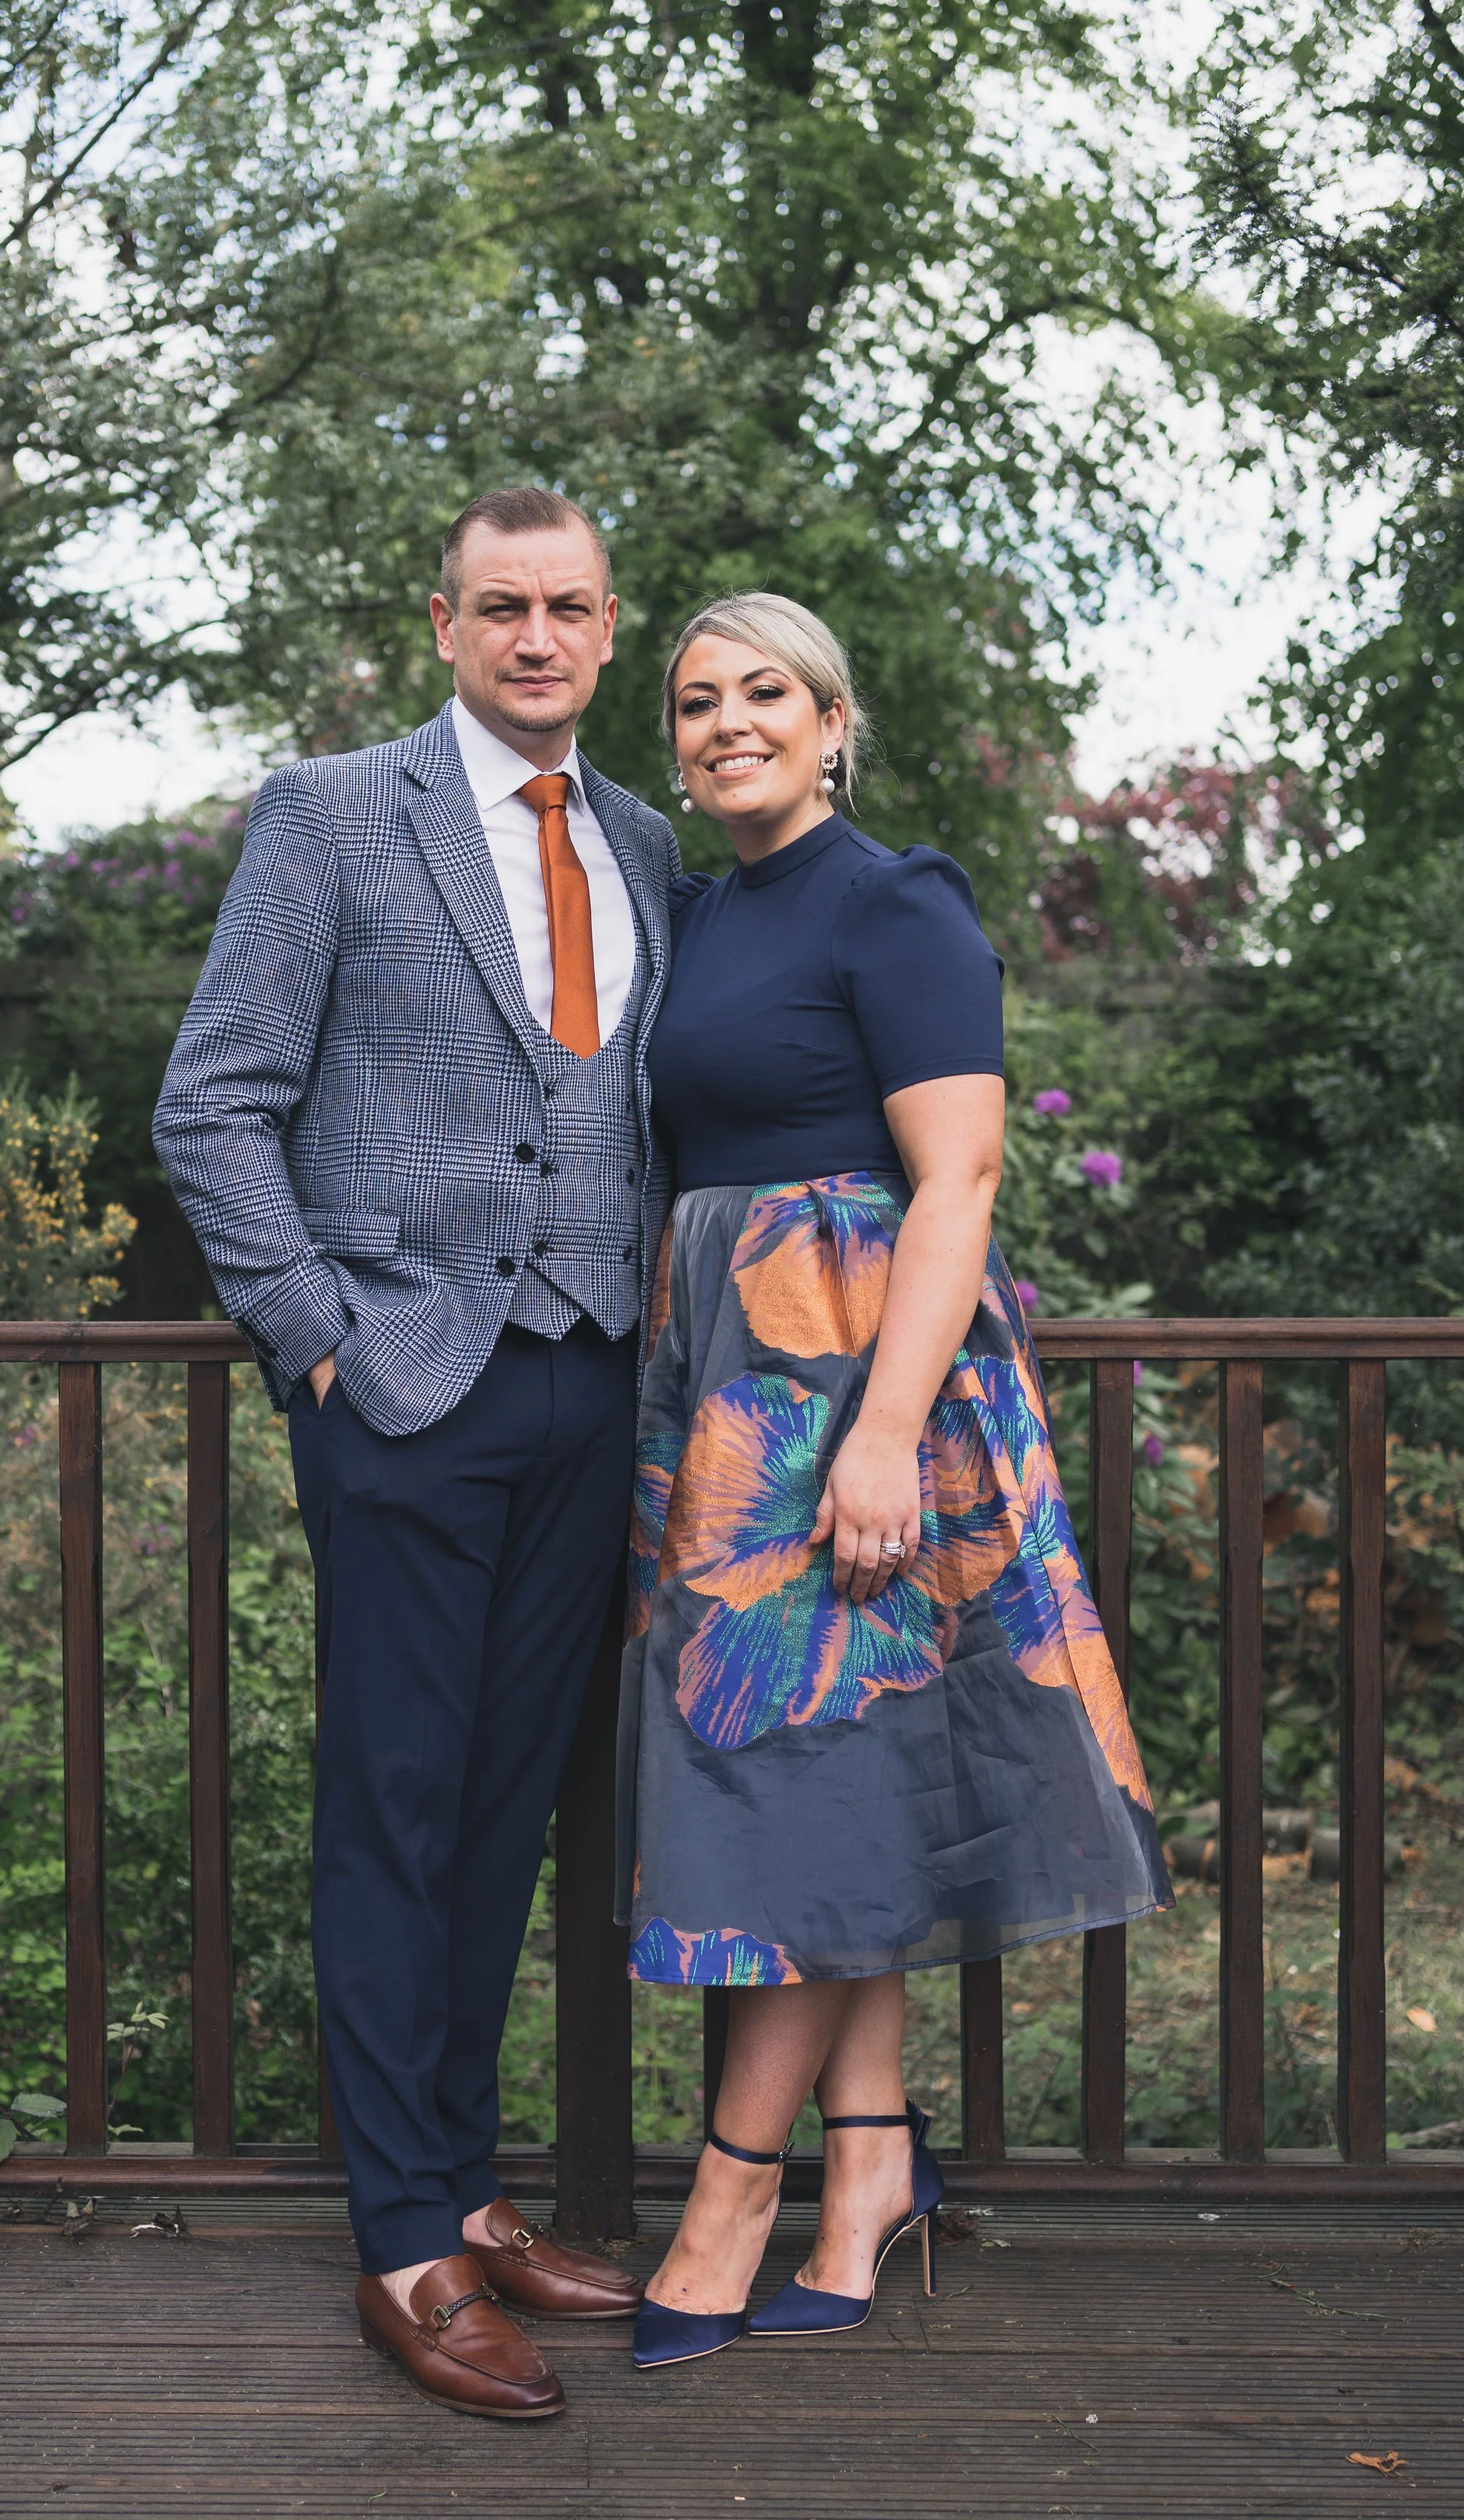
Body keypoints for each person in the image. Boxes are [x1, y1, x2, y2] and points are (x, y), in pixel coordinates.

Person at [154, 487, 674, 2421]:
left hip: (587, 1383)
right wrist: (318, 1341)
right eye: (501, 606)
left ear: (607, 629)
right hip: (403, 1384)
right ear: (444, 625)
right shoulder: (330, 814)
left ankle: (462, 2188)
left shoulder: (639, 840)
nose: (536, 637)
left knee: (507, 1813)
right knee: (394, 1808)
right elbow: (213, 1105)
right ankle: (400, 2245)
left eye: (568, 607)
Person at [618, 592, 1172, 2369]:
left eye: (763, 693)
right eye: (695, 702)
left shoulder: (897, 899)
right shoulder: (696, 914)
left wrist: (876, 1428)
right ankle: (868, 2163)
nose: (726, 723)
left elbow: (962, 1179)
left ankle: (730, 2199)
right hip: (728, 1382)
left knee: (784, 1777)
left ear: (833, 719)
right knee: (820, 1784)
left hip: (858, 1379)